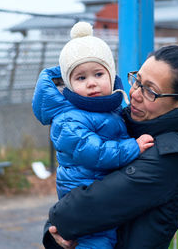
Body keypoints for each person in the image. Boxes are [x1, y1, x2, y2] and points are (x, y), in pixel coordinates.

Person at [40, 45, 178, 249]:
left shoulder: (170, 158)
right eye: (137, 81)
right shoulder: (127, 125)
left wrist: (55, 226)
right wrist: (54, 232)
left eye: (150, 91)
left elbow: (72, 214)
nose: (135, 94)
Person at [32, 22, 154, 249]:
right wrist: (133, 148)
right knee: (97, 241)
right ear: (68, 84)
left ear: (111, 74)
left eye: (98, 74)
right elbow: (93, 151)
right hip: (85, 198)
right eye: (80, 78)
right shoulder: (68, 118)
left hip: (101, 193)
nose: (91, 83)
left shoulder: (111, 109)